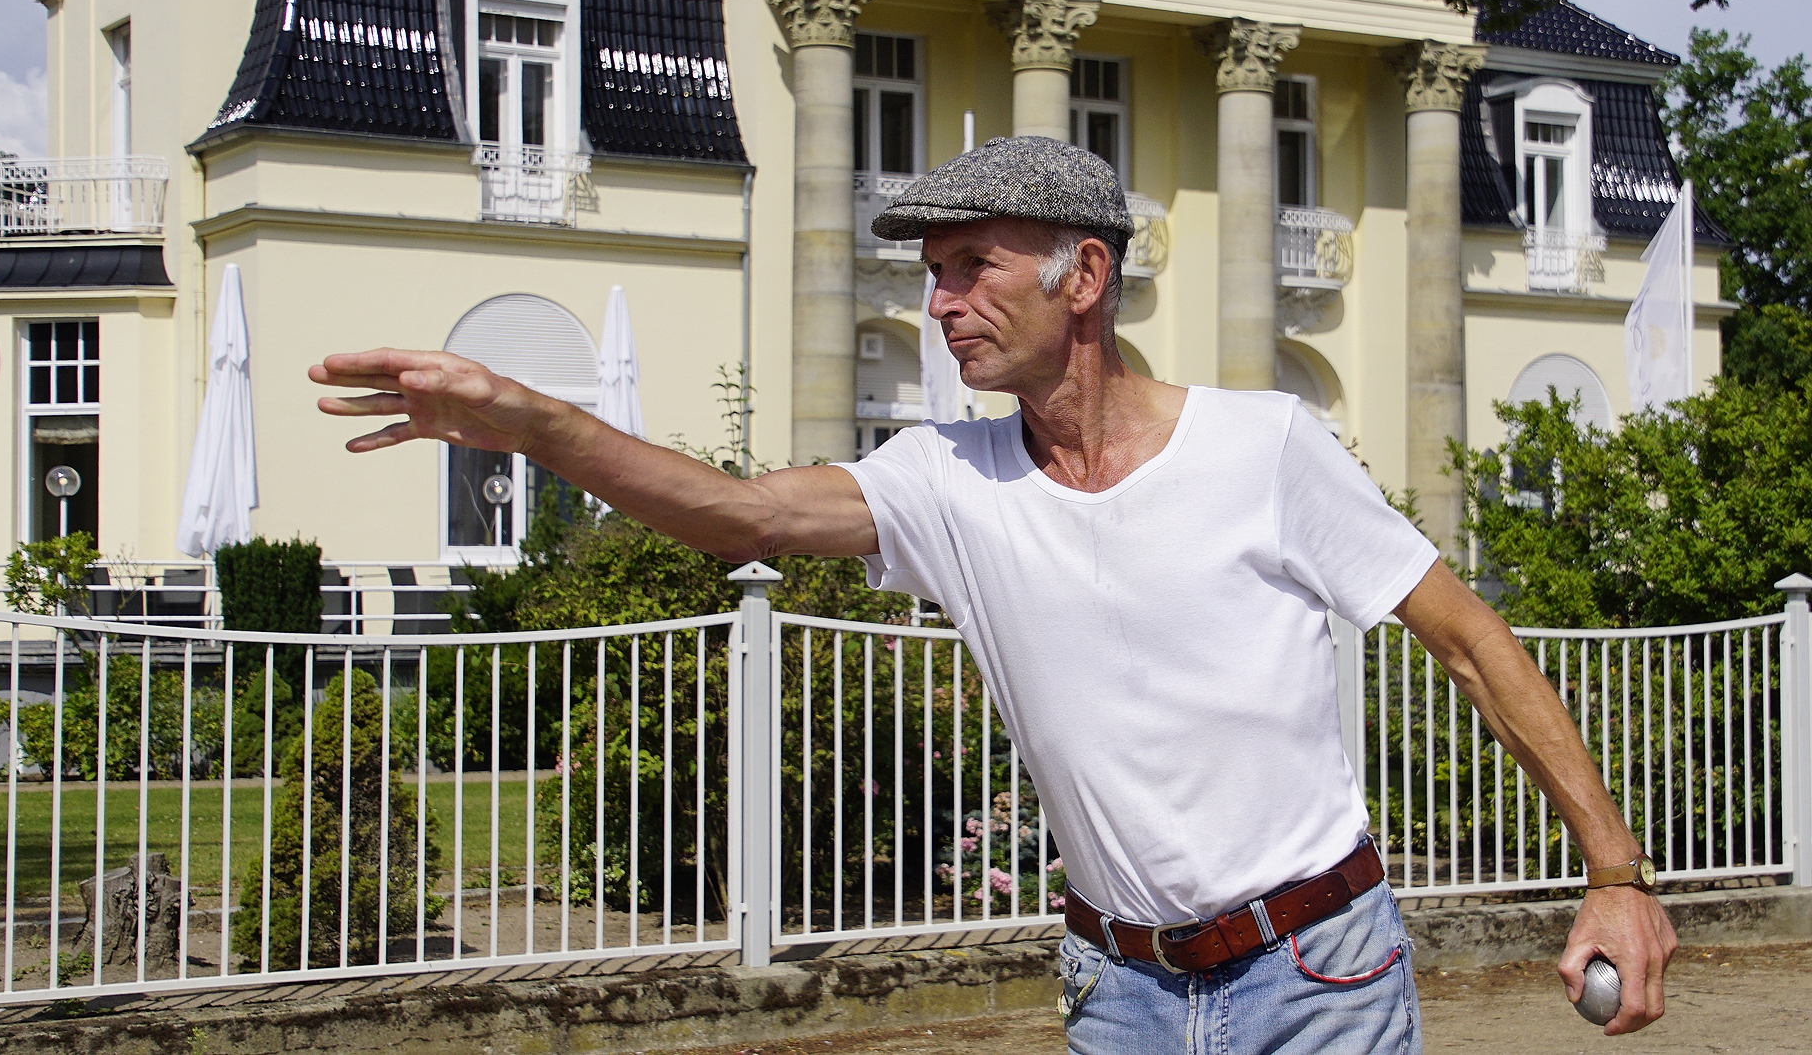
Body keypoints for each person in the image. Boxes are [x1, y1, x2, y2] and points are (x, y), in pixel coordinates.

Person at [312, 136, 1676, 1052]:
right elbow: (742, 510)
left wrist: (1613, 874)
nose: (943, 301)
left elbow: (1473, 640)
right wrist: (539, 422)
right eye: (934, 273)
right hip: (1117, 987)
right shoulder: (948, 480)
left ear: (1084, 277)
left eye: (974, 267)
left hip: (1314, 972)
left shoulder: (1266, 449)